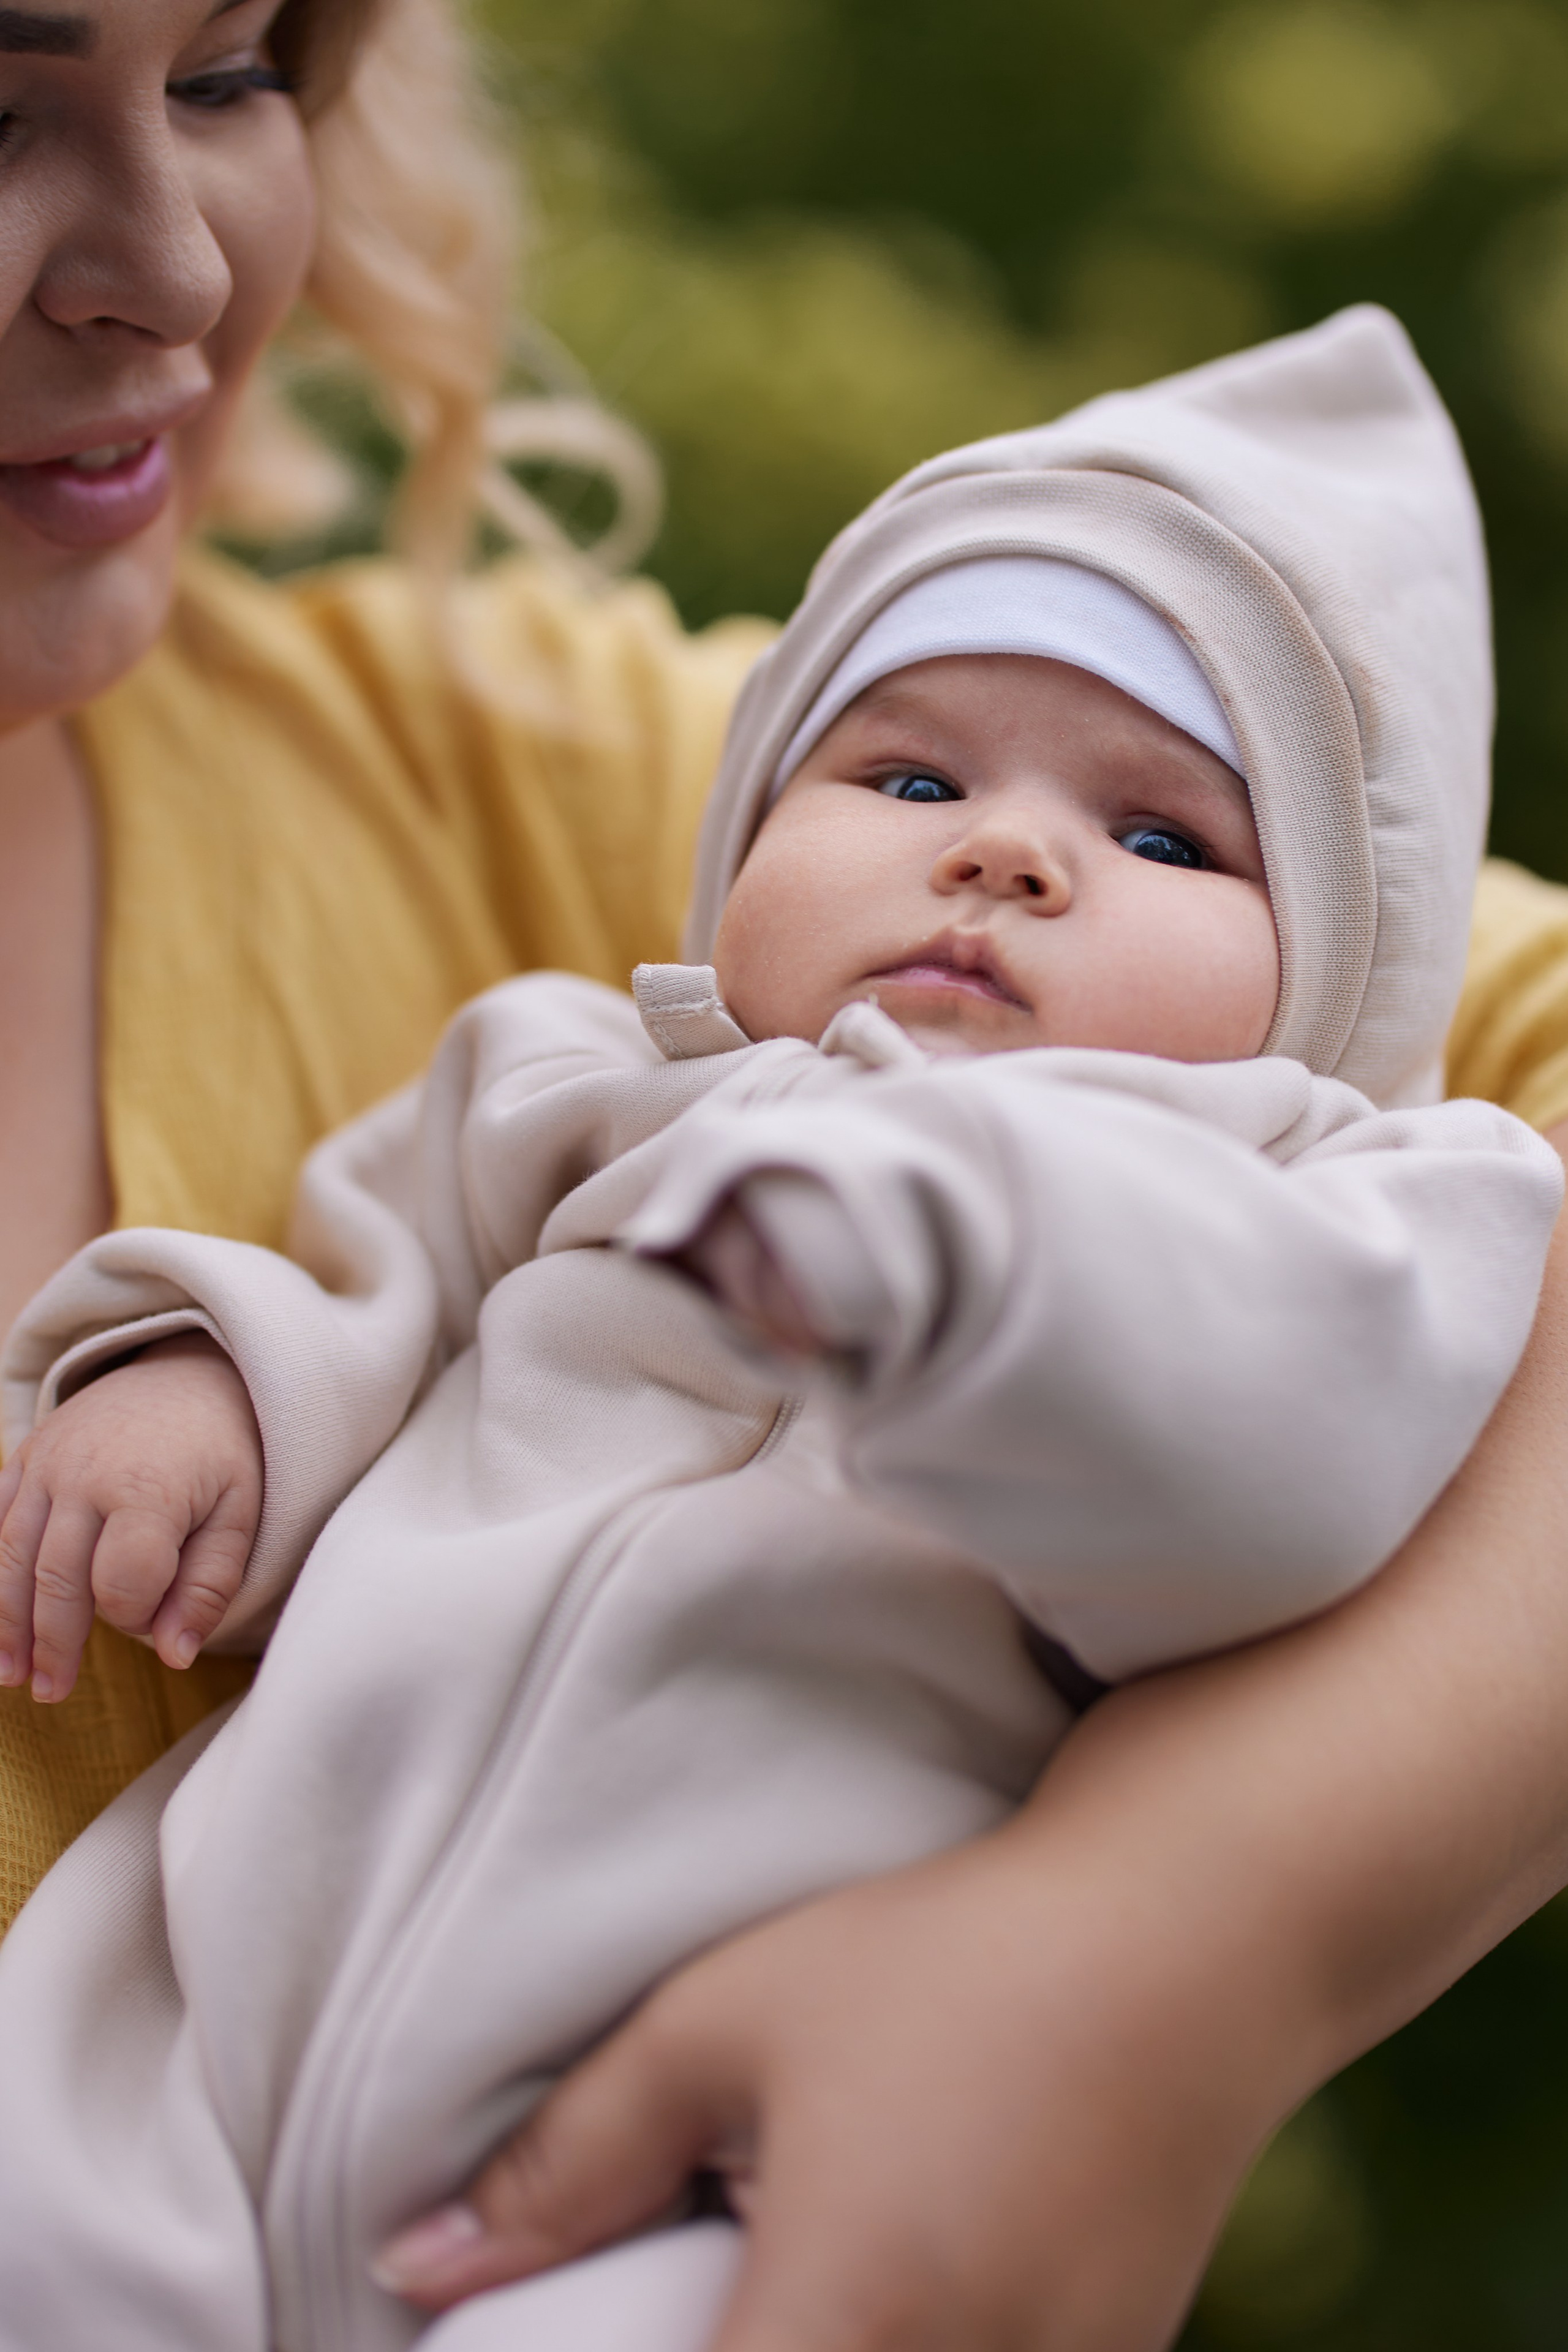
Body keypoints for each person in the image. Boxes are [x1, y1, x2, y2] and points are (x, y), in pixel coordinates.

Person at [4, 6, 1568, 2349]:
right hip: (193, 2045)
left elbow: (1263, 1433)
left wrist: (1175, 1945)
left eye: (230, 68)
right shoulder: (595, 1061)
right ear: (754, 829)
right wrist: (221, 1384)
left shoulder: (1301, 1187)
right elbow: (380, 1263)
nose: (1004, 854)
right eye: (911, 782)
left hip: (642, 2181)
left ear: (1340, 969)